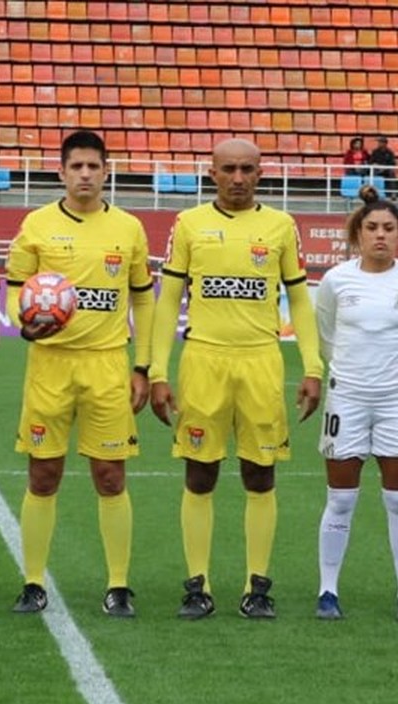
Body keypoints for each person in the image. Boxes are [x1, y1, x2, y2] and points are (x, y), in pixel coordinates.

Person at [149, 138, 323, 620]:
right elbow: (167, 301)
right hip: (203, 359)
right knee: (199, 473)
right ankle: (197, 585)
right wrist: (158, 371)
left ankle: (256, 587)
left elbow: (301, 300)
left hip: (261, 361)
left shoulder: (281, 226)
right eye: (229, 169)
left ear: (260, 173)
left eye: (248, 169)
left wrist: (312, 367)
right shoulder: (189, 224)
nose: (239, 178)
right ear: (213, 174)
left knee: (259, 473)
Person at [6, 130, 154, 617]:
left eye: (94, 166)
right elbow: (14, 292)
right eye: (77, 167)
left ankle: (118, 584)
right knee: (43, 474)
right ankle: (32, 582)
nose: (85, 175)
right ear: (62, 172)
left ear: (106, 171)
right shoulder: (37, 225)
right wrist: (26, 323)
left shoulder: (128, 228)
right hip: (50, 367)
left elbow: (143, 298)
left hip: (107, 366)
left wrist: (143, 366)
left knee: (110, 477)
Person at [313, 186, 398, 623]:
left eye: (389, 228)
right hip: (345, 398)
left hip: (397, 402)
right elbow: (325, 334)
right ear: (358, 234)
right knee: (341, 499)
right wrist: (350, 372)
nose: (380, 235)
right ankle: (328, 590)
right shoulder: (336, 281)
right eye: (372, 228)